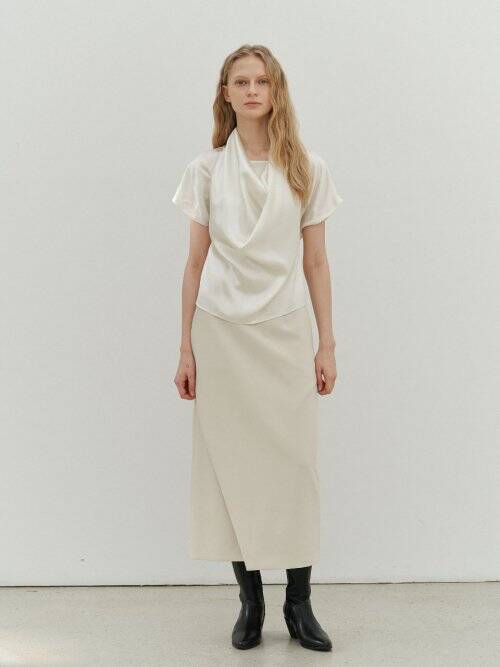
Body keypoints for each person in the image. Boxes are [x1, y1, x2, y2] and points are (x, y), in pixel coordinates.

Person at [172, 44, 343, 653]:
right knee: (232, 468)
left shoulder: (307, 168)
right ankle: (251, 601)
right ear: (225, 93)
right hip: (220, 332)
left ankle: (300, 602)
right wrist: (185, 348)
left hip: (285, 328)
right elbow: (195, 262)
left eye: (261, 82)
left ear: (276, 91)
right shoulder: (205, 170)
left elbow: (316, 261)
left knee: (294, 467)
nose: (251, 91)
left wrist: (326, 343)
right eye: (240, 82)